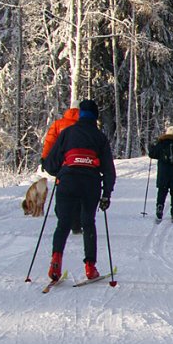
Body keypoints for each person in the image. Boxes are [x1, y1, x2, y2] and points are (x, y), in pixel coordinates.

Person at [41, 98, 116, 282]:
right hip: (90, 183)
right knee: (88, 222)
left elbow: (51, 164)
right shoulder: (100, 137)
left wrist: (61, 171)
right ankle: (90, 267)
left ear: (80, 115)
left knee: (63, 223)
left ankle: (56, 261)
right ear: (95, 117)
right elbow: (108, 169)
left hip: (67, 181)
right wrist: (106, 194)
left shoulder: (67, 133)